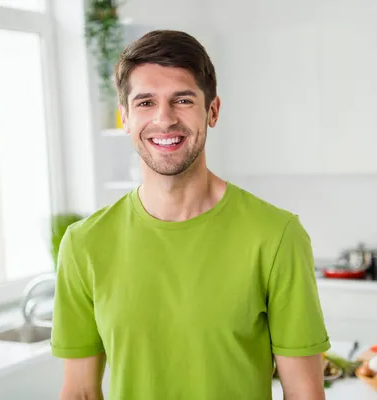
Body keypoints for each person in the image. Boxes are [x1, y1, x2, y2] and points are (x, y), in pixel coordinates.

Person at [50, 29, 330, 400]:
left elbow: (304, 393)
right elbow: (81, 393)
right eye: (145, 102)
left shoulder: (277, 236)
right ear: (126, 119)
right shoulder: (83, 244)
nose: (164, 119)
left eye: (182, 100)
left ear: (211, 111)